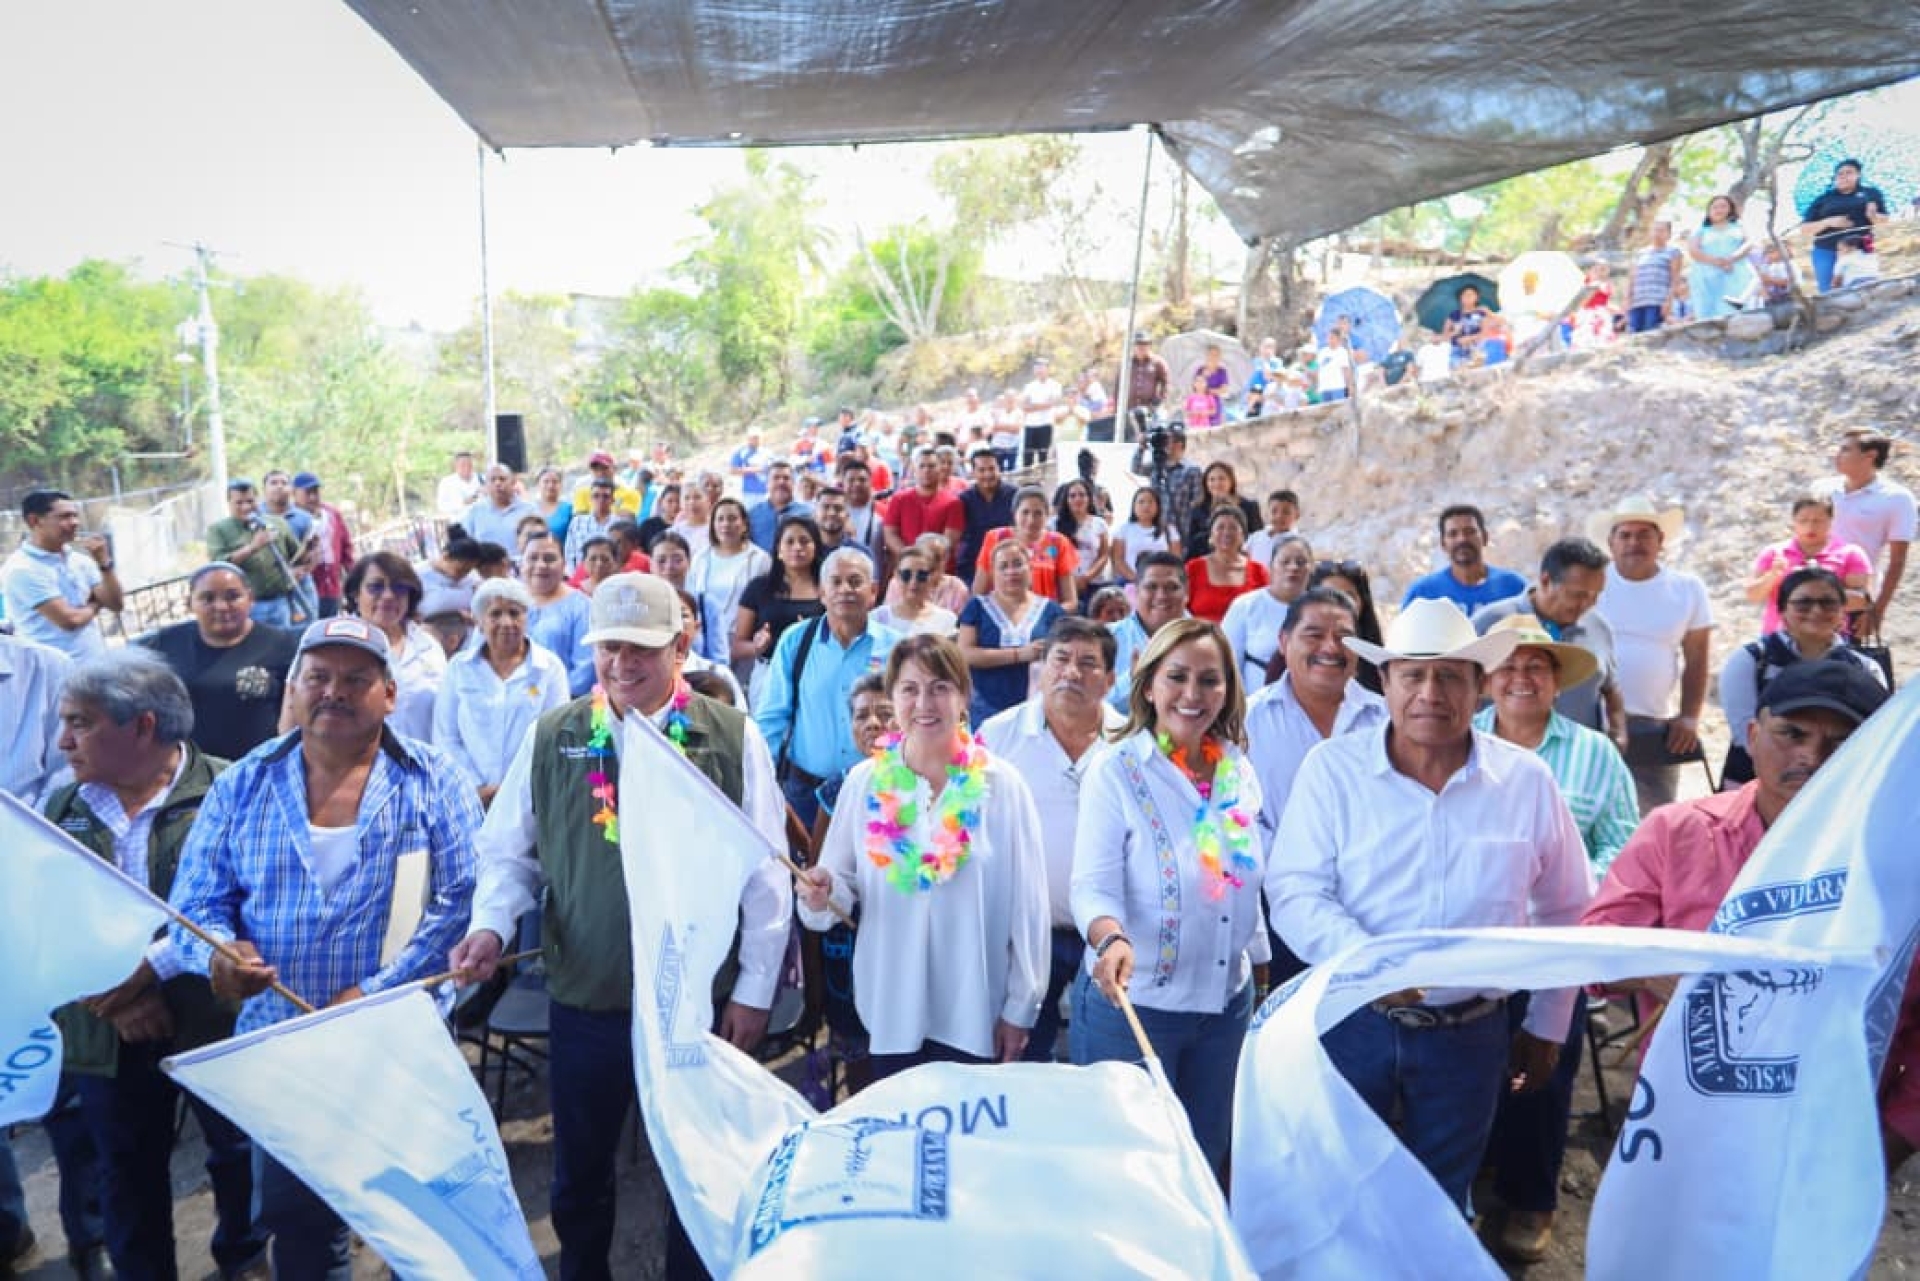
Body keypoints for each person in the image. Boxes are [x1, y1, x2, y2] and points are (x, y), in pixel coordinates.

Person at [451, 573, 789, 1279]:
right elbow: (507, 853)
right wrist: (489, 926)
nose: (622, 663)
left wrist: (755, 988)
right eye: (609, 647)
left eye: (642, 647)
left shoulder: (731, 737)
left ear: (681, 647)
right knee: (580, 1175)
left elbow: (765, 872)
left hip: (695, 1007)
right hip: (589, 998)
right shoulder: (556, 735)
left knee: (697, 1170)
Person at [169, 616, 480, 1276]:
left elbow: (460, 903)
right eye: (318, 677)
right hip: (284, 1049)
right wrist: (218, 956)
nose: (334, 691)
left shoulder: (436, 779)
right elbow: (194, 906)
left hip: (399, 1042)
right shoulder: (242, 784)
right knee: (301, 1221)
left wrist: (369, 994)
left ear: (389, 694)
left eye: (355, 679)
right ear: (292, 689)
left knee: (420, 1221)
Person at [1265, 598, 1592, 1215]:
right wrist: (1370, 964)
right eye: (1412, 675)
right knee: (1338, 1188)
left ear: (1480, 687)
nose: (1430, 693)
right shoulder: (1333, 771)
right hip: (1352, 1019)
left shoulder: (1525, 781)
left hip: (1472, 1034)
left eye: (1449, 676)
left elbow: (1566, 905)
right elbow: (1295, 889)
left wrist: (1547, 1022)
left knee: (1439, 1199)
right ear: (1384, 683)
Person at [45, 651, 268, 1281]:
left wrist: (148, 970)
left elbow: (251, 906)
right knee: (126, 1175)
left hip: (217, 1020)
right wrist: (113, 993)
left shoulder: (231, 790)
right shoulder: (61, 810)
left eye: (80, 722)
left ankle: (246, 1261)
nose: (63, 741)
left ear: (142, 726)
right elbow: (47, 921)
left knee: (238, 1156)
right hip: (108, 1030)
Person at [797, 635, 1048, 1079]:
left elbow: (1028, 909)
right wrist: (821, 892)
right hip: (891, 1011)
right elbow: (839, 885)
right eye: (910, 689)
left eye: (940, 687)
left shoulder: (1003, 786)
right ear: (893, 698)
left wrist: (1021, 1007)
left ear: (963, 696)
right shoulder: (864, 783)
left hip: (975, 1015)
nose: (924, 703)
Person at [1071, 618, 1265, 1177]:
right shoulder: (1115, 770)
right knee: (1126, 1167)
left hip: (1226, 1007)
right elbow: (1092, 884)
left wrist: (1260, 964)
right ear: (1149, 684)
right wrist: (1111, 939)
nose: (1192, 694)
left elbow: (1241, 876)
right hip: (1136, 1009)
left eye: (1209, 679)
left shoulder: (1238, 768)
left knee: (1202, 1160)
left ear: (1227, 689)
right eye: (1177, 677)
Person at [1472, 616, 1638, 1263]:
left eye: (1536, 666)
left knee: (1544, 1066)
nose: (1521, 677)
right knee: (1467, 1062)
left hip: (1557, 939)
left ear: (1557, 680)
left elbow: (1622, 842)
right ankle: (1479, 1167)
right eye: (1508, 666)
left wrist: (1567, 884)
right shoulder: (1459, 739)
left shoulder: (1596, 754)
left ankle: (1532, 1197)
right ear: (1488, 679)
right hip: (1473, 938)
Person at [978, 618, 1124, 1063]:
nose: (1072, 673)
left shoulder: (1133, 741)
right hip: (1022, 933)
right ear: (1039, 670)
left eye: (1088, 663)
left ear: (1111, 680)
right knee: (1018, 1060)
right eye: (1060, 659)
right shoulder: (997, 738)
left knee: (1104, 1063)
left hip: (1108, 936)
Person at [1243, 588, 1387, 988]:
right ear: (1283, 641)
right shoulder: (1248, 720)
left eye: (1343, 637)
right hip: (1276, 909)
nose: (1330, 648)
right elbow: (1236, 815)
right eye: (1314, 635)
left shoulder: (1386, 719)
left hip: (1371, 910)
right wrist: (1297, 865)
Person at [754, 548, 901, 827]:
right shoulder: (796, 640)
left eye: (855, 582)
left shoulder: (897, 648)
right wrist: (760, 779)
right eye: (836, 582)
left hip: (876, 791)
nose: (845, 589)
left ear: (873, 592)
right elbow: (772, 716)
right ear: (822, 592)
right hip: (805, 793)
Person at [1589, 496, 1714, 813]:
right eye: (1625, 535)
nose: (1635, 543)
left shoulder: (1687, 588)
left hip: (1654, 727)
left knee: (1653, 820)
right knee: (1589, 817)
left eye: (1644, 534)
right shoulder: (1590, 585)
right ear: (1611, 543)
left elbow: (1697, 658)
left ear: (1661, 540)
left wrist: (1689, 717)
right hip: (1592, 723)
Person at [1718, 566, 1887, 786]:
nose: (1816, 611)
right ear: (1782, 611)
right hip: (1754, 781)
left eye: (1828, 603)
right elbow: (1744, 731)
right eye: (1803, 603)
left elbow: (1876, 730)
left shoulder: (1864, 667)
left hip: (1838, 784)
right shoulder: (1751, 660)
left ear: (1842, 611)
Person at [139, 562, 302, 761]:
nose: (221, 606)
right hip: (192, 770)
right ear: (190, 603)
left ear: (250, 598)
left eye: (232, 596)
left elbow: (296, 712)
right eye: (207, 598)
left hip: (258, 767)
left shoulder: (281, 645)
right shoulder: (167, 643)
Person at [433, 577, 570, 807]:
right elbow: (445, 736)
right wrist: (475, 787)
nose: (506, 622)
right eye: (495, 614)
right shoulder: (459, 668)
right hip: (470, 797)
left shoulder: (549, 668)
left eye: (515, 613)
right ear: (479, 622)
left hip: (530, 795)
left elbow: (554, 735)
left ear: (527, 618)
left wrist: (517, 788)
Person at [1472, 537, 1625, 742]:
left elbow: (1610, 688)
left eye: (1595, 595)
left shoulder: (1599, 628)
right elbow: (1460, 688)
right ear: (1545, 581)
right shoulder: (1489, 623)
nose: (1587, 603)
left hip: (1578, 757)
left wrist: (1619, 731)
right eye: (1578, 594)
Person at [1815, 428, 1915, 636]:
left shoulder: (1897, 498)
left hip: (1853, 598)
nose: (1837, 455)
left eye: (1846, 450)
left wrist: (1877, 611)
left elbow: (1897, 561)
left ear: (1870, 456)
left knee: (1842, 655)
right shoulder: (1821, 489)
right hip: (1810, 591)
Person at [343, 551, 445, 743]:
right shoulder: (335, 647)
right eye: (376, 587)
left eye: (399, 588)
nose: (389, 596)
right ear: (356, 594)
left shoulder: (429, 648)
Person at [3, 491, 118, 659]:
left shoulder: (79, 560)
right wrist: (96, 604)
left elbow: (116, 604)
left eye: (75, 516)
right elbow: (70, 621)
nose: (75, 522)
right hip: (53, 670)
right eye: (65, 517)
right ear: (34, 521)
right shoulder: (22, 569)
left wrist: (104, 563)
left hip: (96, 663)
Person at [1746, 492, 1872, 635]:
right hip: (1780, 637)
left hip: (1830, 638)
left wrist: (1818, 585)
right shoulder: (1775, 553)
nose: (1810, 527)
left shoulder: (1850, 554)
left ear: (1831, 521)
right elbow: (1753, 596)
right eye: (1803, 521)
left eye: (1818, 521)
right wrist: (1773, 575)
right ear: (1793, 521)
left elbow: (1861, 601)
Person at [734, 515, 827, 707]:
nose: (797, 547)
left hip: (816, 672)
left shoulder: (828, 588)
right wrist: (757, 647)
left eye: (804, 541)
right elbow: (737, 647)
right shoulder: (759, 588)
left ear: (816, 547)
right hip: (769, 673)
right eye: (790, 542)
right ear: (778, 550)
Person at [689, 497, 772, 689]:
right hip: (706, 641)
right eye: (720, 519)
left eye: (732, 518)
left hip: (742, 643)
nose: (726, 524)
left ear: (744, 524)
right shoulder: (701, 558)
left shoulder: (759, 559)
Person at [205, 479, 303, 627]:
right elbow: (218, 565)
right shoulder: (218, 530)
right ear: (229, 503)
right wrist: (252, 547)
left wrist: (306, 558)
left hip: (281, 602)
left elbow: (298, 556)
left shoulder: (277, 523)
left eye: (250, 501)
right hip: (247, 606)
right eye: (239, 503)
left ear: (258, 500)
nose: (246, 507)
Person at [1221, 533, 1313, 688]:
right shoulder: (1245, 605)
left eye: (1301, 562)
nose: (1293, 568)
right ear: (1271, 567)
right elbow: (1227, 663)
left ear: (1311, 568)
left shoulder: (1320, 609)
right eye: (1285, 562)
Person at [1401, 504, 1528, 614]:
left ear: (1485, 537)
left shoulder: (1515, 587)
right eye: (1453, 534)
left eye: (1470, 532)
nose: (1462, 539)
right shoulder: (1422, 594)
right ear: (1443, 543)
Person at [1108, 551, 1192, 712]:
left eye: (1171, 587)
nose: (1161, 596)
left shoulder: (1208, 642)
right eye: (1151, 587)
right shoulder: (1108, 638)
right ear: (1136, 591)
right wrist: (1133, 679)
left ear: (1186, 591)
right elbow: (1093, 705)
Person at [974, 486, 1080, 612]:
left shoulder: (1058, 542)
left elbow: (1071, 601)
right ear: (1015, 513)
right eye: (1025, 512)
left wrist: (1046, 616)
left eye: (1038, 513)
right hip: (1000, 616)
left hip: (1046, 619)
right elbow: (978, 593)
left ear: (1047, 515)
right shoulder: (996, 538)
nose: (1031, 520)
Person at [1797, 158, 1889, 293]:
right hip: (1827, 249)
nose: (1844, 176)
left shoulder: (1871, 194)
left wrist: (1873, 216)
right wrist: (1828, 222)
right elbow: (1804, 229)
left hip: (1859, 250)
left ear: (1858, 175)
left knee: (1864, 287)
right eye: (1840, 173)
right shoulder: (1823, 199)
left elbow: (1884, 220)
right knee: (1829, 291)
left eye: (1849, 172)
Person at [522, 534, 595, 697]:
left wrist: (543, 698)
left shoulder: (582, 607)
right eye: (532, 558)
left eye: (549, 559)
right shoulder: (507, 602)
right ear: (522, 563)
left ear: (563, 565)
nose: (541, 565)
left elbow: (585, 669)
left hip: (562, 703)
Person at [1304, 559, 1385, 694]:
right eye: (1328, 596)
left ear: (1362, 602)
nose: (1339, 604)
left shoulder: (1380, 661)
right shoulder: (1292, 654)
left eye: (1349, 596)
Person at [884, 447, 966, 569]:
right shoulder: (899, 499)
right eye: (921, 466)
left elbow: (948, 542)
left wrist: (925, 563)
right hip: (905, 569)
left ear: (940, 469)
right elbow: (890, 534)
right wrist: (909, 557)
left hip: (939, 571)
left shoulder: (953, 503)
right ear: (914, 470)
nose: (926, 470)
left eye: (931, 466)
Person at [1185, 507, 1266, 624]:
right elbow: (1181, 609)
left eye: (1233, 528)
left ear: (1243, 536)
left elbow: (1265, 612)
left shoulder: (1258, 571)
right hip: (1200, 633)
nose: (1227, 533)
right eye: (1220, 527)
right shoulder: (1193, 569)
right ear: (1211, 536)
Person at [290, 473, 353, 618]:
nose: (312, 497)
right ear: (295, 493)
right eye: (307, 493)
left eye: (315, 492)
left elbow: (346, 547)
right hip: (304, 586)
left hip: (331, 585)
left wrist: (352, 575)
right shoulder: (290, 518)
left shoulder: (332, 514)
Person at [1129, 422, 1204, 543]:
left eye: (1166, 441)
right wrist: (1141, 448)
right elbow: (1135, 468)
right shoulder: (1156, 466)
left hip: (1179, 529)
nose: (1163, 444)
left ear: (1179, 444)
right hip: (1154, 529)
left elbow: (1197, 500)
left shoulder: (1191, 470)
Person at [1685, 195, 1754, 320]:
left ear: (1730, 209)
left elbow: (1749, 243)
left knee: (1737, 312)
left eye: (1723, 206)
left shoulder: (1738, 226)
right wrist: (1717, 262)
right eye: (1715, 207)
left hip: (1736, 272)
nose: (1719, 210)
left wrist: (1731, 258)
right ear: (1709, 210)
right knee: (1710, 314)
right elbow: (1693, 251)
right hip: (1707, 275)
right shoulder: (1701, 230)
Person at [956, 447, 1016, 580]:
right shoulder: (963, 499)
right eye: (982, 470)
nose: (988, 474)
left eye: (991, 469)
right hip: (972, 565)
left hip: (1008, 564)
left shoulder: (1014, 495)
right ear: (973, 473)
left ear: (999, 469)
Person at [873, 545, 959, 637]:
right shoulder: (877, 618)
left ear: (932, 577)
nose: (913, 582)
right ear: (896, 575)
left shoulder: (947, 620)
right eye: (906, 574)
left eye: (921, 575)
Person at [1182, 463, 1261, 560]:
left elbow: (1257, 538)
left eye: (1221, 478)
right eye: (1212, 479)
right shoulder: (1197, 509)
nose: (1217, 483)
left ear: (1231, 481)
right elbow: (1191, 542)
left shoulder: (1249, 507)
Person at [1054, 478, 1112, 603]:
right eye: (1072, 496)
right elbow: (1050, 553)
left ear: (1089, 498)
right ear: (1066, 500)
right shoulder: (1053, 524)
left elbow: (1104, 555)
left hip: (1093, 583)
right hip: (1062, 584)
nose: (1077, 499)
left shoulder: (1099, 523)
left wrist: (1086, 577)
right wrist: (1068, 579)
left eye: (1082, 495)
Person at [1112, 486, 1180, 586]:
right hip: (1130, 582)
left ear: (1158, 506)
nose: (1146, 506)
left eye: (1150, 502)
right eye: (1141, 502)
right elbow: (1118, 560)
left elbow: (1175, 559)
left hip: (1162, 582)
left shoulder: (1170, 530)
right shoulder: (1123, 529)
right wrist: (1136, 578)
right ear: (1134, 506)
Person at [463, 463, 541, 550]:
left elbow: (539, 542)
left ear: (513, 482)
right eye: (492, 480)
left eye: (502, 479)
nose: (497, 483)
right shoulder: (475, 511)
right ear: (486, 485)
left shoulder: (529, 510)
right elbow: (465, 544)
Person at [1625, 219, 1683, 332]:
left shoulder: (1673, 252)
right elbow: (1632, 278)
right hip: (1637, 301)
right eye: (1655, 230)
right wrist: (1627, 299)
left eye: (1661, 231)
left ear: (1668, 234)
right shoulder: (1640, 253)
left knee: (1651, 333)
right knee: (1634, 335)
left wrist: (1669, 301)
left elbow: (1675, 279)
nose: (1657, 233)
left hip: (1658, 302)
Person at [746, 461, 813, 554]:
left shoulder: (808, 514)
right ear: (767, 483)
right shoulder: (752, 514)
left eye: (786, 478)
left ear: (793, 483)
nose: (781, 482)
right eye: (776, 478)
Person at [413, 533, 481, 621]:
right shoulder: (417, 575)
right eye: (459, 570)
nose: (462, 575)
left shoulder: (470, 578)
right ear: (446, 556)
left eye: (467, 571)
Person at [564, 476, 622, 571]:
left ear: (613, 500)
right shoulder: (577, 522)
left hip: (610, 575)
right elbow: (570, 555)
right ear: (590, 499)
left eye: (606, 496)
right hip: (580, 575)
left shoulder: (619, 524)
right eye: (596, 496)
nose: (601, 499)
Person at [1020, 357, 1064, 469]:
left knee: (1043, 455)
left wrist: (1033, 406)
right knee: (1028, 456)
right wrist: (1042, 405)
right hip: (1030, 424)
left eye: (1042, 367)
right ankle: (1026, 478)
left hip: (1046, 424)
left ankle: (1042, 478)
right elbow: (1024, 406)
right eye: (1037, 367)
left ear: (1047, 369)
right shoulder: (1029, 386)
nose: (1039, 370)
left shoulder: (1055, 385)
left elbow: (1052, 403)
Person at [1121, 330, 1172, 424]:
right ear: (1134, 346)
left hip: (1151, 409)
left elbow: (1166, 383)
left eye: (1145, 344)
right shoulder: (1126, 363)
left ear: (1149, 345)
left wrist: (1159, 399)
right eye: (1138, 343)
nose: (1141, 347)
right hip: (1129, 409)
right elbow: (1119, 385)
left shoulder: (1158, 362)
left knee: (1160, 425)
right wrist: (1118, 406)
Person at [570, 450, 641, 518]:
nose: (600, 473)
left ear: (614, 468)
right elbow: (580, 521)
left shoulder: (630, 494)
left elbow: (624, 522)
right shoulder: (582, 493)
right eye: (595, 469)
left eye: (605, 468)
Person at [1245, 489, 1303, 567]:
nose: (1279, 516)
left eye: (1286, 512)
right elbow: (1243, 556)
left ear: (1297, 515)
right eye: (1274, 511)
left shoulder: (1297, 543)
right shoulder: (1256, 537)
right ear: (1266, 514)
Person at [434, 449, 481, 519]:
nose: (467, 467)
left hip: (480, 521)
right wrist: (463, 503)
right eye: (463, 465)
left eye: (469, 464)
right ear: (456, 465)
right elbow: (441, 506)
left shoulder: (482, 479)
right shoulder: (446, 482)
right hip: (458, 522)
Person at [1315, 324, 1357, 401]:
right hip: (1324, 388)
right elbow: (1318, 370)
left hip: (1337, 387)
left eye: (1332, 338)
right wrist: (1317, 386)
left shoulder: (1342, 352)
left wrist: (1349, 386)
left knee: (1339, 408)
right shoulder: (1322, 352)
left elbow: (1346, 370)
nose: (1329, 340)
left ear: (1338, 339)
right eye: (1328, 338)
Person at [531, 465, 573, 542]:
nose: (550, 486)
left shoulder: (569, 509)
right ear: (538, 484)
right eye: (546, 481)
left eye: (555, 482)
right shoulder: (530, 508)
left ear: (561, 484)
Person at [730, 429, 772, 499]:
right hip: (749, 492)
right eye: (753, 438)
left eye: (758, 438)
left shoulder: (767, 452)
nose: (756, 440)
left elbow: (773, 468)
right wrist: (755, 470)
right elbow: (732, 470)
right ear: (748, 438)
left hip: (766, 491)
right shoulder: (741, 452)